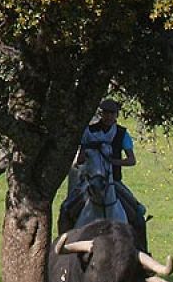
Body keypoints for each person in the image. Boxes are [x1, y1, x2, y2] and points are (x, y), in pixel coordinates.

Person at [59, 99, 146, 233]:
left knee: (138, 213)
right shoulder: (88, 131)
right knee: (66, 209)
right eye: (106, 113)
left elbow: (131, 160)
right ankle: (63, 247)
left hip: (113, 182)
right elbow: (80, 159)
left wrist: (114, 162)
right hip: (89, 181)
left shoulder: (122, 134)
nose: (109, 117)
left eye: (112, 113)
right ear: (101, 114)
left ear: (116, 115)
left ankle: (140, 249)